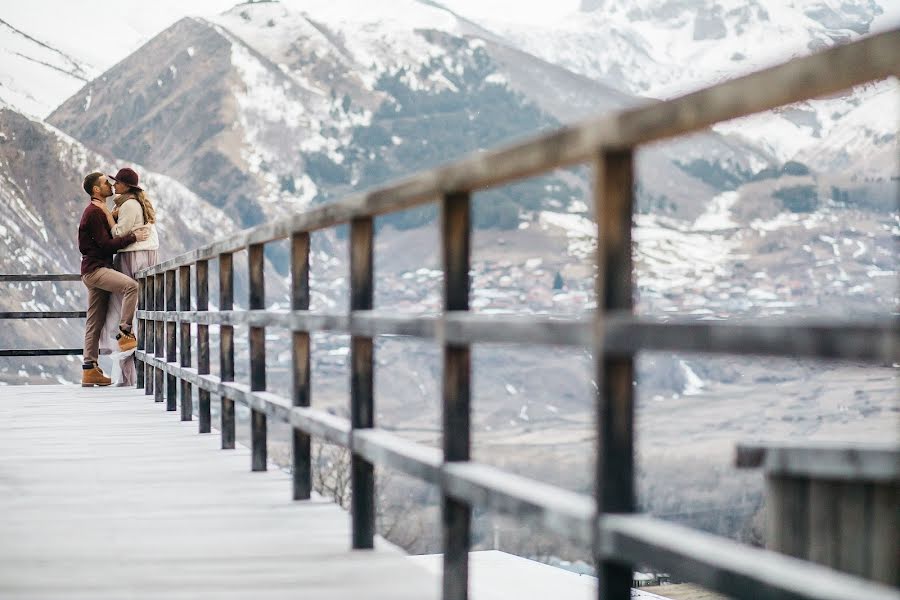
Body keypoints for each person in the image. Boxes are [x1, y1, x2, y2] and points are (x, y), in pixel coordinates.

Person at [79, 171, 150, 387]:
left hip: (92, 270)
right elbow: (106, 245)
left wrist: (113, 216)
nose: (110, 185)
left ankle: (89, 369)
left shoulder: (100, 211)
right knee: (131, 287)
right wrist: (133, 237)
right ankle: (125, 333)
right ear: (96, 190)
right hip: (97, 270)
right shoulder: (94, 212)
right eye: (105, 183)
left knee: (95, 321)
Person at [95, 167, 160, 386]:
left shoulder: (130, 205)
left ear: (126, 186)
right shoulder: (131, 204)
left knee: (121, 310)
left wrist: (106, 215)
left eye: (117, 183)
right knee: (128, 310)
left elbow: (118, 234)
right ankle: (127, 372)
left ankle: (126, 373)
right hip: (137, 256)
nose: (113, 186)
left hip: (131, 258)